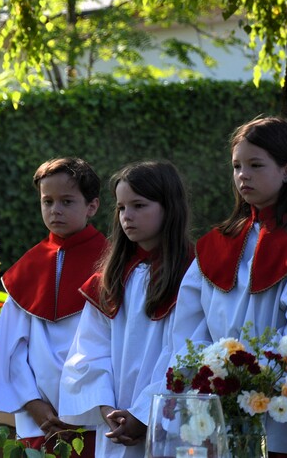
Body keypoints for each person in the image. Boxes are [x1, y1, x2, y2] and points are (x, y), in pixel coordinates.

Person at [164, 117, 287, 456]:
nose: (243, 175)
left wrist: (254, 383)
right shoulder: (215, 245)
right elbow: (190, 329)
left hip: (282, 414)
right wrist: (208, 379)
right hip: (217, 410)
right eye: (236, 166)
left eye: (255, 165)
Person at [0, 157, 107, 455]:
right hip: (40, 421)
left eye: (67, 201)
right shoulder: (29, 267)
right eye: (47, 201)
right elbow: (13, 349)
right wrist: (33, 404)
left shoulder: (112, 264)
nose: (55, 210)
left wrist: (87, 406)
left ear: (92, 206)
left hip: (97, 416)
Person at [58, 161, 194, 457]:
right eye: (121, 208)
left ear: (169, 207)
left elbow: (188, 352)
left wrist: (144, 414)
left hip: (171, 424)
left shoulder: (193, 276)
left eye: (139, 205)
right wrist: (107, 409)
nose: (127, 216)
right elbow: (89, 352)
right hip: (116, 425)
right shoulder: (111, 278)